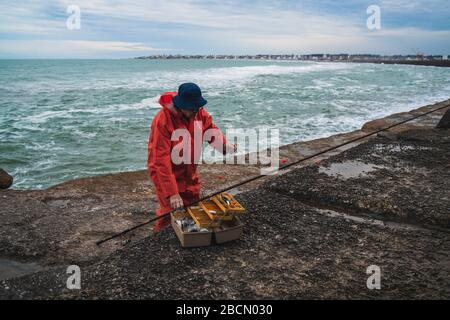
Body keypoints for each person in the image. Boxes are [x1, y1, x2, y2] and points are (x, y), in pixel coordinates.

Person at [147, 83, 236, 232]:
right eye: (191, 109)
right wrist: (172, 192)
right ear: (180, 105)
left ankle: (189, 237)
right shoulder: (162, 120)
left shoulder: (198, 112)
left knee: (192, 205)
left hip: (189, 169)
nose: (195, 112)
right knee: (170, 211)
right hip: (166, 173)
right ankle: (159, 238)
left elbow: (210, 130)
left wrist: (224, 146)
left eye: (197, 108)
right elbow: (160, 161)